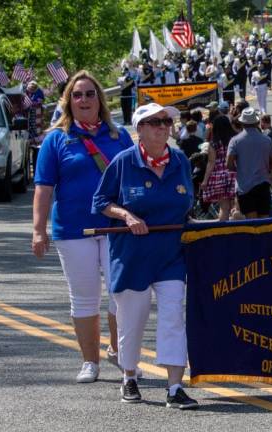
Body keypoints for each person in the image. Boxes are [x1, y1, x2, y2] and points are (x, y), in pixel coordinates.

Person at [92, 103, 198, 409]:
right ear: (139, 128)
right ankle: (129, 377)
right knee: (131, 321)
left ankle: (175, 386)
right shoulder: (124, 162)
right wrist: (126, 216)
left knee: (173, 318)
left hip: (170, 255)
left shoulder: (179, 160)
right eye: (154, 122)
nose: (163, 126)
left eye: (166, 121)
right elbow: (101, 201)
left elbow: (186, 205)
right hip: (132, 255)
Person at [32, 70, 135, 384]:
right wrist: (38, 230)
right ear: (68, 101)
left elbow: (136, 179)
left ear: (100, 100)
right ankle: (90, 362)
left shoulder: (120, 137)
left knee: (124, 293)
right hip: (74, 230)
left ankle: (120, 352)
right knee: (85, 297)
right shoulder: (56, 140)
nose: (84, 100)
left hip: (116, 227)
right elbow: (43, 187)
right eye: (77, 95)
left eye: (90, 94)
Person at [226, 108, 272, 219]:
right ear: (257, 122)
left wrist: (240, 169)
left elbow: (229, 164)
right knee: (264, 221)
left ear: (242, 123)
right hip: (263, 183)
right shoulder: (266, 140)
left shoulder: (235, 141)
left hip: (245, 186)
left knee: (252, 222)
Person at [201, 115, 237, 221]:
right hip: (234, 174)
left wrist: (205, 181)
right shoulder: (235, 139)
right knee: (236, 206)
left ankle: (224, 231)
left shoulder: (213, 143)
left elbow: (211, 162)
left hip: (219, 176)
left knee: (224, 208)